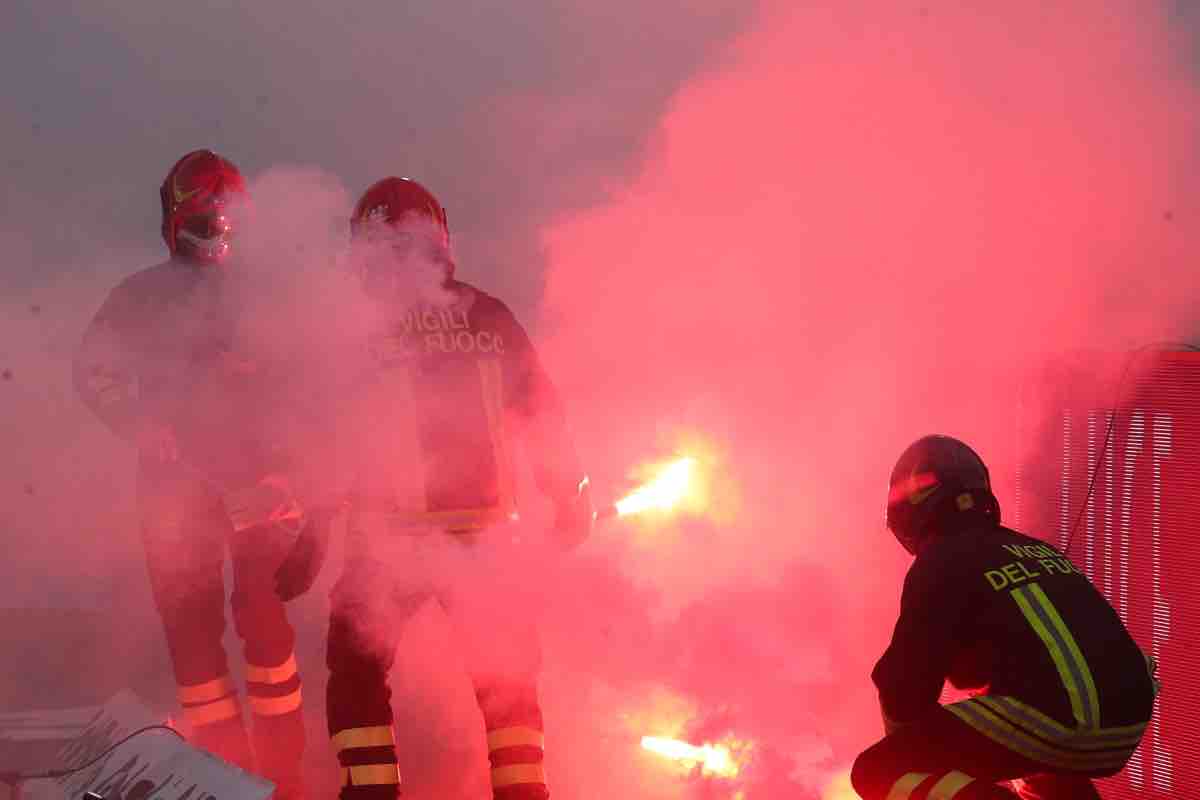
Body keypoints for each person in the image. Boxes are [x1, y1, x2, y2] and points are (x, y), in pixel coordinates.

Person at [275, 176, 592, 800]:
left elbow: (334, 440)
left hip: (386, 543)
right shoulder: (488, 315)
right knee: (505, 679)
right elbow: (540, 410)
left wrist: (315, 533)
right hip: (485, 536)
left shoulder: (355, 333)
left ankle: (372, 794)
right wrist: (568, 492)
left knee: (359, 669)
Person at [73, 149, 310, 800]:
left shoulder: (267, 295)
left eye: (224, 224)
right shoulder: (141, 296)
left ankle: (285, 775)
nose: (216, 238)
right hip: (174, 487)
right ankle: (224, 770)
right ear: (177, 223)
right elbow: (94, 370)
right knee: (192, 632)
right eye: (205, 224)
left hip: (257, 484)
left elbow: (306, 388)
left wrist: (289, 473)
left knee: (264, 623)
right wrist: (140, 423)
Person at [850, 435, 1159, 799]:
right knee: (1035, 766)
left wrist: (915, 754)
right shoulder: (1032, 548)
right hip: (1128, 713)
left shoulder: (940, 560)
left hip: (1066, 714)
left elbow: (904, 689)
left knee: (878, 770)